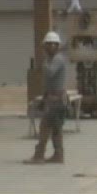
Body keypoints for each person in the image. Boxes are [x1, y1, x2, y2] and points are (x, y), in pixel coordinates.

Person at [27, 30, 69, 165]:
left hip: (56, 100)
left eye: (53, 44)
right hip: (53, 98)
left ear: (57, 46)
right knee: (56, 128)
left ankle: (39, 155)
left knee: (45, 127)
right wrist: (43, 98)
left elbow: (50, 73)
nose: (50, 47)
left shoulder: (57, 59)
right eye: (48, 44)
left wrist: (43, 63)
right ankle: (58, 155)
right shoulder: (53, 59)